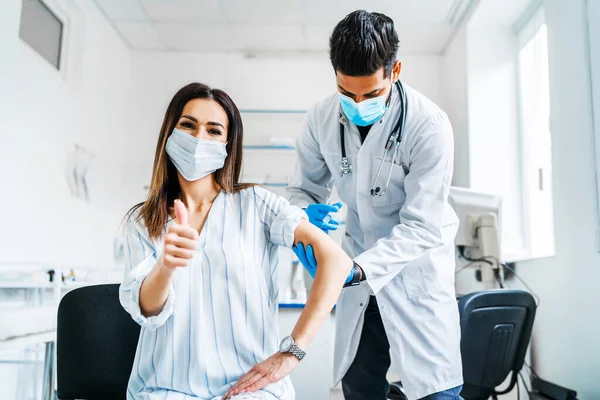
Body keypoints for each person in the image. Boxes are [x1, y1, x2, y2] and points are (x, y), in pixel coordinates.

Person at [119, 83, 353, 400]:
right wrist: (166, 265)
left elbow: (336, 261)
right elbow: (145, 310)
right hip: (166, 389)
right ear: (170, 133)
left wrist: (293, 352)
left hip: (251, 389)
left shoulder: (256, 204)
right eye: (188, 125)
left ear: (228, 144)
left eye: (214, 131)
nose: (199, 138)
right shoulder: (142, 221)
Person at [287, 10, 463, 400]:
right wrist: (303, 222)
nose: (357, 103)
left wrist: (356, 269)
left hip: (415, 274)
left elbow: (421, 226)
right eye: (347, 93)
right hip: (357, 278)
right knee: (360, 388)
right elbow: (302, 192)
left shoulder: (428, 125)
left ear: (395, 70)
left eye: (370, 94)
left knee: (436, 391)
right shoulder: (320, 118)